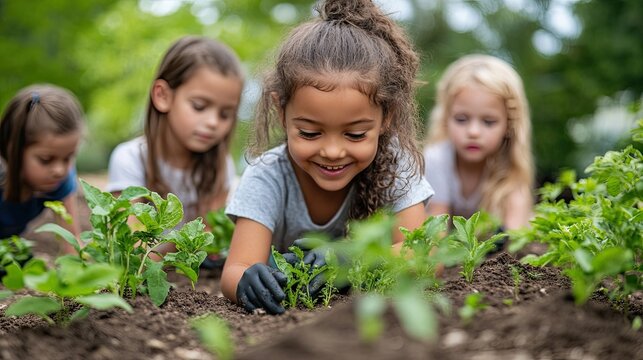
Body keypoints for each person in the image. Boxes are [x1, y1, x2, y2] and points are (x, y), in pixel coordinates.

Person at [221, 0, 434, 315]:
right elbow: (236, 268)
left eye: (355, 135)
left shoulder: (396, 164)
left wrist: (352, 259)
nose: (333, 152)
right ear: (281, 112)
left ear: (385, 116)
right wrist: (247, 281)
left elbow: (423, 256)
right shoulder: (267, 175)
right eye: (309, 133)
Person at [106, 36, 243, 262]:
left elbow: (208, 237)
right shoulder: (130, 158)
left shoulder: (221, 165)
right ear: (163, 96)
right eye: (199, 106)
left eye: (225, 114)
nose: (213, 122)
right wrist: (186, 246)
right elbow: (130, 247)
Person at [423, 54, 534, 234]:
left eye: (488, 122)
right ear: (446, 118)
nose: (473, 132)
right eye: (461, 119)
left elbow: (515, 240)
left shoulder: (511, 170)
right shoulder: (436, 160)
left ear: (509, 125)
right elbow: (437, 231)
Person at [0, 84, 84, 252]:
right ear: (13, 149)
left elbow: (71, 241)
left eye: (68, 157)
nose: (59, 170)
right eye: (46, 160)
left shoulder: (61, 179)